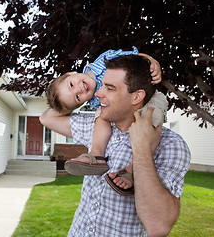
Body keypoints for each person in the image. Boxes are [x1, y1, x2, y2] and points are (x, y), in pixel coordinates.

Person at [40, 54, 191, 236]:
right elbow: (46, 117)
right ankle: (96, 156)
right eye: (101, 84)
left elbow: (158, 226)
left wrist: (142, 149)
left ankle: (131, 171)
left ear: (137, 97)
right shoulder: (96, 128)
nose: (97, 93)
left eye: (109, 88)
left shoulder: (171, 146)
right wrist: (70, 91)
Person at [45, 47, 167, 194]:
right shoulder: (96, 99)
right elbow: (46, 117)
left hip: (151, 97)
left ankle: (134, 168)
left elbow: (134, 57)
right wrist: (64, 103)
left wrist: (152, 62)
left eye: (71, 84)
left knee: (150, 123)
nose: (79, 89)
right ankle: (96, 154)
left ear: (70, 73)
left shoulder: (103, 60)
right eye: (77, 98)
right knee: (101, 117)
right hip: (118, 107)